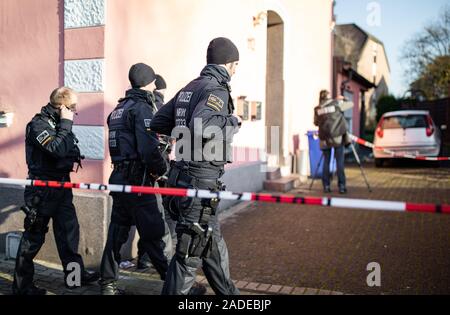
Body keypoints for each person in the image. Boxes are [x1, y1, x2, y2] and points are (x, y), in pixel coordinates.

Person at [151, 37, 242, 295]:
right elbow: (203, 123)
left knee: (210, 242)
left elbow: (158, 122)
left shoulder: (190, 87)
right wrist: (233, 121)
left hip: (182, 175)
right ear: (230, 64)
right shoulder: (217, 89)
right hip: (199, 180)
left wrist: (184, 135)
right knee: (190, 254)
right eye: (236, 66)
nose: (235, 71)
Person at [12, 87, 99, 295]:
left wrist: (65, 127)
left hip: (61, 186)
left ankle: (74, 277)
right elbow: (56, 149)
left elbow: (69, 149)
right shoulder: (38, 125)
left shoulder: (59, 124)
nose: (74, 112)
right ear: (61, 106)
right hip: (41, 190)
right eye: (72, 108)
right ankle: (21, 287)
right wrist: (66, 124)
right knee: (33, 238)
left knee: (69, 233)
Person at [99, 63, 169, 295]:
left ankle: (107, 284)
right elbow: (149, 150)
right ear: (149, 83)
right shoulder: (142, 108)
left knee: (116, 235)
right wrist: (162, 171)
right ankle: (176, 285)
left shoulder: (118, 109)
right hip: (139, 181)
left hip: (119, 179)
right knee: (153, 234)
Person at [136, 73, 175, 270]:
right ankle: (166, 262)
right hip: (160, 166)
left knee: (147, 216)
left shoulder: (141, 106)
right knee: (163, 216)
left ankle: (143, 258)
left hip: (145, 169)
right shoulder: (160, 107)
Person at [313, 90, 353, 194]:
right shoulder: (336, 105)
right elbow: (350, 104)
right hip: (337, 137)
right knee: (339, 162)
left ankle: (326, 186)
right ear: (329, 96)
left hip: (324, 138)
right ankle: (342, 186)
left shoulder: (317, 109)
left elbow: (316, 123)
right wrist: (344, 99)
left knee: (326, 162)